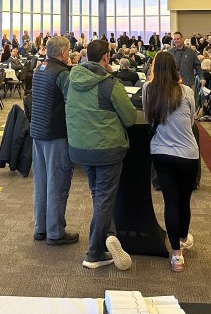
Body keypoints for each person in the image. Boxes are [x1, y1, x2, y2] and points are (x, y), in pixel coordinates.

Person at [65, 39, 137, 270]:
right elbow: (130, 118)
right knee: (105, 198)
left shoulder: (70, 81)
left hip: (80, 147)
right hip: (106, 149)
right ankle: (94, 252)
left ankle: (109, 236)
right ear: (106, 57)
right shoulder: (110, 84)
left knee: (98, 195)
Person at [141, 51, 199, 272]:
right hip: (187, 154)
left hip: (161, 152)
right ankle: (183, 238)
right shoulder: (186, 92)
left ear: (154, 69)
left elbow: (148, 117)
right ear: (175, 68)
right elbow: (192, 120)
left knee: (171, 202)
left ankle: (177, 255)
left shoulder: (149, 89)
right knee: (184, 201)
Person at [30, 36, 78, 246]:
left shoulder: (39, 69)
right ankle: (56, 232)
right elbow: (72, 104)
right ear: (64, 52)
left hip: (37, 132)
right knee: (57, 183)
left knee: (41, 184)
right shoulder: (62, 74)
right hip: (55, 134)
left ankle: (41, 228)